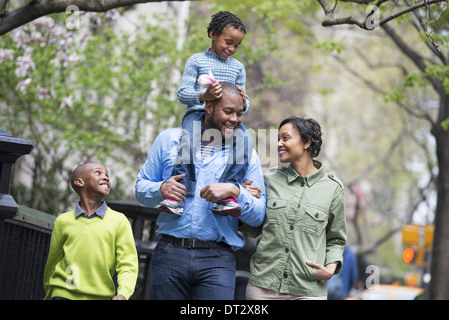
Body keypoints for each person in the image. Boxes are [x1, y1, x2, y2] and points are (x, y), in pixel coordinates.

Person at [135, 82, 265, 300]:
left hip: (218, 259)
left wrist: (236, 191)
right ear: (209, 107)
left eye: (239, 113)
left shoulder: (247, 156)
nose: (235, 119)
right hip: (169, 252)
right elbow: (140, 189)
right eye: (228, 111)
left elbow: (259, 215)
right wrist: (160, 188)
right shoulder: (169, 140)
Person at [158, 11, 253, 217]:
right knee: (189, 142)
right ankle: (177, 196)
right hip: (197, 114)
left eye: (237, 45)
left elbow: (243, 105)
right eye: (228, 42)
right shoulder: (196, 61)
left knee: (246, 140)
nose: (231, 49)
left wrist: (244, 102)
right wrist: (204, 95)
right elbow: (183, 94)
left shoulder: (238, 68)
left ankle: (227, 194)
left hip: (227, 120)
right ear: (212, 34)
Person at [242, 116, 347, 300]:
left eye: (285, 138)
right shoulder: (269, 180)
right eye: (278, 139)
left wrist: (331, 268)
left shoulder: (333, 189)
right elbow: (252, 228)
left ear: (306, 142)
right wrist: (243, 199)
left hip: (307, 289)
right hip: (263, 287)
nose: (279, 144)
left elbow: (336, 239)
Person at [43, 162, 138, 300]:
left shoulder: (119, 221)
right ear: (79, 182)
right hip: (62, 295)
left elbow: (128, 264)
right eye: (98, 173)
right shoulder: (63, 221)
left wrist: (123, 293)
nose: (106, 177)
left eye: (107, 175)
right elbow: (52, 263)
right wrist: (49, 295)